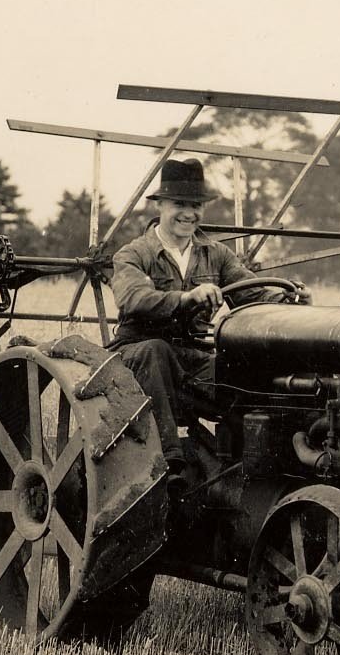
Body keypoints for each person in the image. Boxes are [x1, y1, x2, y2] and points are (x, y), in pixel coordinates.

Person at [109, 157, 288, 491]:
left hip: (190, 357)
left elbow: (253, 292)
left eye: (196, 205)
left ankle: (244, 467)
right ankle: (169, 462)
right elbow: (132, 298)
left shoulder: (215, 254)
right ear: (160, 205)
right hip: (133, 357)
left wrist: (289, 302)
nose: (189, 213)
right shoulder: (133, 254)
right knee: (156, 350)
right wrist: (186, 298)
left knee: (242, 374)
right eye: (180, 204)